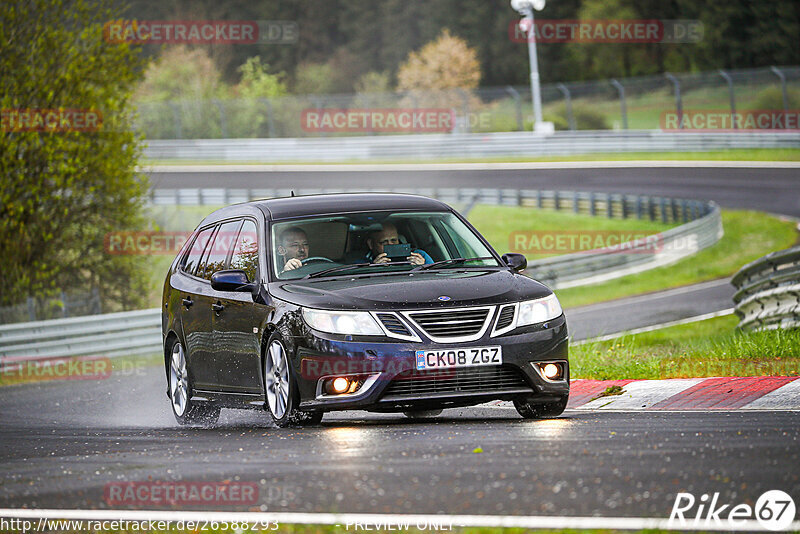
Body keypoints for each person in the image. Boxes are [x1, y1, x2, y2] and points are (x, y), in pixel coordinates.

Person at [365, 222, 433, 266]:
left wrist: (422, 267)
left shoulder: (419, 255)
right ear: (371, 244)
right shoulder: (363, 264)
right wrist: (374, 268)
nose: (391, 244)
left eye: (394, 240)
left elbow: (434, 278)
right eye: (384, 242)